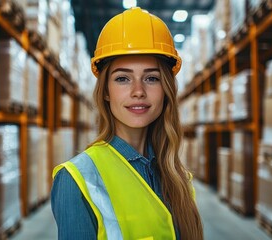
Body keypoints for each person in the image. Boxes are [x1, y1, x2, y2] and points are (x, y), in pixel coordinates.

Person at [51, 7, 203, 240]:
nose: (138, 92)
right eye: (123, 79)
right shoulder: (77, 180)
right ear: (106, 92)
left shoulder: (177, 177)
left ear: (166, 90)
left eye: (152, 78)